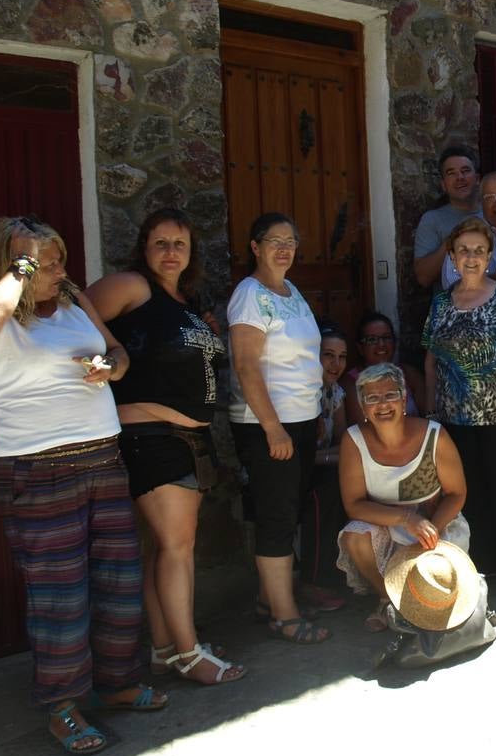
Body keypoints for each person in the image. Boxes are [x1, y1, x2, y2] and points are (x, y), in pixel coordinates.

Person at [0, 215, 165, 756]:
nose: (58, 270)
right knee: (60, 595)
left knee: (117, 579)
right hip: (34, 469)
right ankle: (64, 706)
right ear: (9, 266)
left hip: (101, 457)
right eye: (41, 262)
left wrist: (110, 368)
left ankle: (117, 682)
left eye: (57, 259)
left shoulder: (74, 301)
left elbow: (117, 351)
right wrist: (21, 271)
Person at [85, 208, 243, 686]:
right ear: (144, 246)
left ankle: (164, 649)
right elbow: (76, 312)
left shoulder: (186, 303)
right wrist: (113, 351)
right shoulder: (133, 286)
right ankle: (190, 653)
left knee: (163, 549)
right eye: (161, 243)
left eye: (180, 244)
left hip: (187, 440)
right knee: (178, 548)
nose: (171, 252)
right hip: (152, 438)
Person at [423, 218, 496, 600]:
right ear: (452, 257)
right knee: (468, 497)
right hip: (455, 421)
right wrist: (430, 410)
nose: (471, 257)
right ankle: (484, 566)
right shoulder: (441, 302)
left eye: (479, 251)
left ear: (490, 256)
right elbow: (430, 361)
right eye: (464, 251)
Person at [228, 212, 329, 644]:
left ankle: (271, 599)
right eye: (274, 240)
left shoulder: (291, 291)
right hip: (269, 423)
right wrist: (272, 428)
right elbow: (246, 365)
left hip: (300, 419)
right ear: (255, 247)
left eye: (291, 240)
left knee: (288, 512)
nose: (284, 248)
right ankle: (284, 616)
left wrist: (317, 412)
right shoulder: (249, 295)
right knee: (276, 515)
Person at [336, 363, 470, 630]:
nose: (382, 404)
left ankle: (423, 603)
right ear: (363, 407)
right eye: (372, 398)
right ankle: (387, 598)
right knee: (355, 535)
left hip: (436, 522)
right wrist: (406, 518)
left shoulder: (434, 435)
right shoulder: (354, 440)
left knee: (434, 584)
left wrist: (430, 530)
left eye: (390, 395)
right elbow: (353, 505)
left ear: (404, 397)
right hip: (388, 525)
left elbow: (456, 494)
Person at [295, 322, 351, 610]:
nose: (335, 364)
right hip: (294, 471)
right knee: (323, 493)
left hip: (320, 466)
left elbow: (345, 444)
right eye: (328, 355)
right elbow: (297, 453)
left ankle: (342, 573)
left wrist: (326, 457)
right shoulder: (302, 391)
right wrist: (328, 457)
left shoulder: (336, 393)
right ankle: (312, 582)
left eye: (341, 357)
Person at [414, 145, 481, 289]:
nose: (460, 178)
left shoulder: (493, 213)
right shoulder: (432, 220)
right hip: (452, 307)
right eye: (451, 173)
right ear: (443, 185)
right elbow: (423, 278)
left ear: (477, 179)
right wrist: (453, 240)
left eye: (465, 171)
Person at [339, 311, 426, 423]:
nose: (381, 344)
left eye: (386, 337)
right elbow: (363, 427)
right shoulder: (350, 383)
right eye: (372, 339)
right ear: (360, 348)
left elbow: (429, 416)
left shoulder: (409, 375)